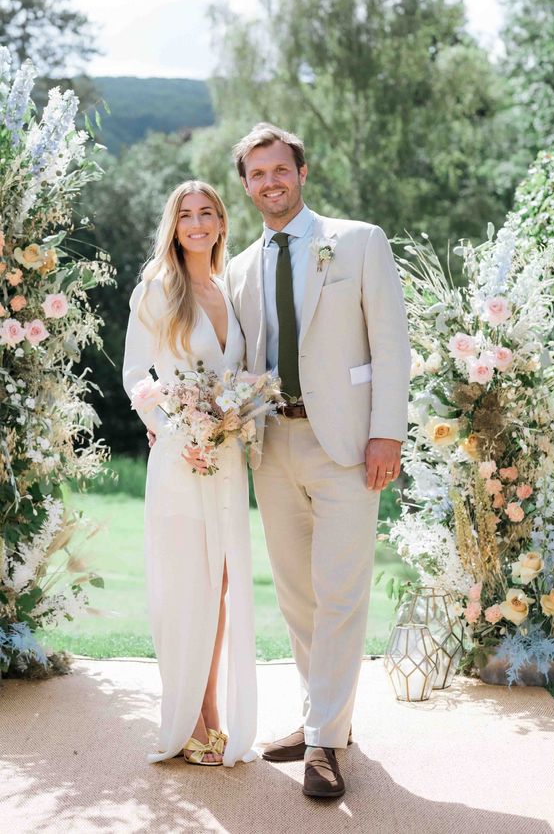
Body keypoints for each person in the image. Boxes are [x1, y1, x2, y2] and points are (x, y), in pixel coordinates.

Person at [224, 123, 411, 798]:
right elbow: (239, 364)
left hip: (348, 448)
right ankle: (322, 720)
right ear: (245, 185)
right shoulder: (240, 267)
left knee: (339, 592)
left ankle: (325, 743)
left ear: (301, 173)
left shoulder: (358, 242)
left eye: (280, 169)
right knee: (299, 596)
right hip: (272, 447)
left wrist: (386, 433)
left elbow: (392, 344)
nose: (270, 182)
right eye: (257, 174)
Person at [122, 181, 257, 767]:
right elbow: (135, 374)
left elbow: (244, 376)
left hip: (225, 458)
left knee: (222, 585)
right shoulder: (157, 289)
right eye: (186, 215)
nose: (197, 224)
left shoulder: (230, 289)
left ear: (222, 224)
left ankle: (215, 714)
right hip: (182, 456)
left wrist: (236, 417)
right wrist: (172, 426)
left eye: (207, 213)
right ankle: (192, 719)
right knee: (188, 585)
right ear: (173, 227)